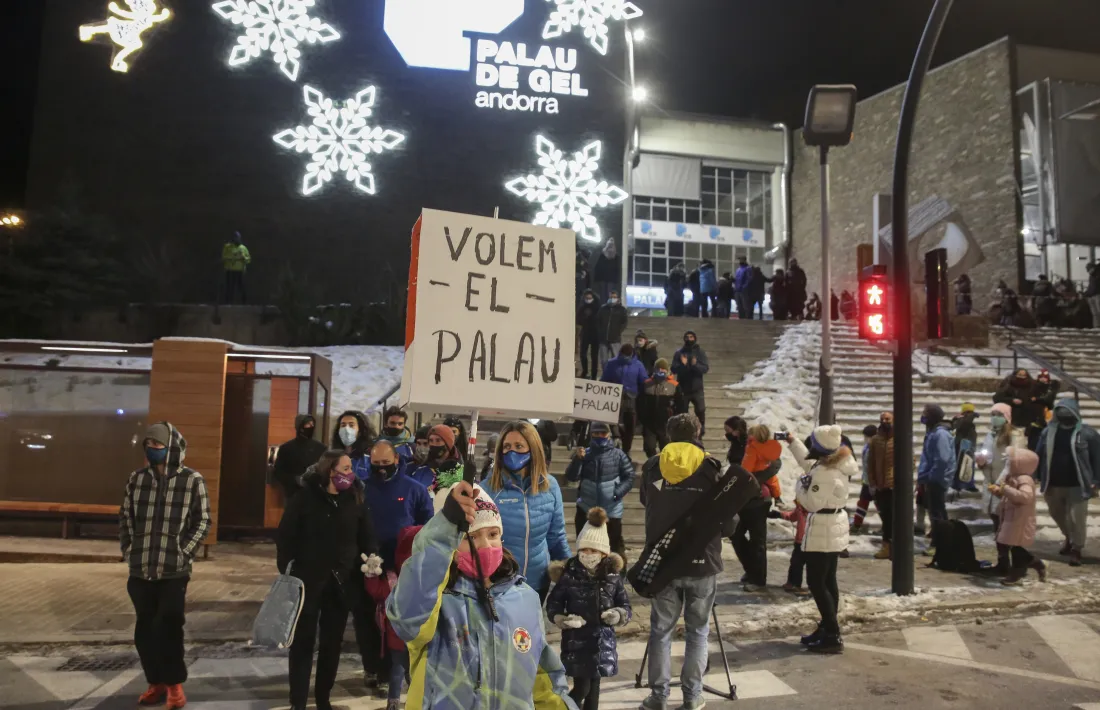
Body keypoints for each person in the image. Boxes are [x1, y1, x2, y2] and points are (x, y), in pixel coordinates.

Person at [386, 482, 577, 710]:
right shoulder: (434, 599)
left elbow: (541, 674)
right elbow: (407, 620)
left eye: (493, 534)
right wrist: (443, 529)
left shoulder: (525, 598)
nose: (485, 545)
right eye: (471, 537)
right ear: (451, 545)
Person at [277, 449, 381, 710]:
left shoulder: (355, 499)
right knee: (302, 643)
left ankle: (323, 698)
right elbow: (286, 537)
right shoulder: (304, 498)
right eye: (345, 469)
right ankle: (298, 702)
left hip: (343, 583)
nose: (350, 474)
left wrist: (371, 557)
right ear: (329, 471)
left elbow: (366, 535)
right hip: (307, 583)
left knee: (331, 644)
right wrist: (288, 571)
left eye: (350, 468)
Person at [121, 422, 211, 710]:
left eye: (158, 445)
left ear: (172, 447)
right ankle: (156, 682)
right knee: (145, 631)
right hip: (141, 569)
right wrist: (129, 549)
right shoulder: (137, 479)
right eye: (148, 444)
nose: (152, 449)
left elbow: (203, 520)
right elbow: (126, 517)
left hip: (174, 570)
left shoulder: (192, 480)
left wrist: (184, 551)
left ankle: (174, 686)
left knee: (168, 627)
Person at [639, 414, 724, 709]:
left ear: (668, 433)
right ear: (697, 432)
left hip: (663, 558)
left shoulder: (653, 465)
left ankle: (658, 697)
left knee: (661, 631)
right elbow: (726, 515)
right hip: (703, 559)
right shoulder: (711, 467)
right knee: (698, 631)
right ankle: (692, 696)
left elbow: (646, 501)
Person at [546, 507, 632, 710]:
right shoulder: (569, 575)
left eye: (593, 551)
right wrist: (561, 618)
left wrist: (617, 614)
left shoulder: (613, 577)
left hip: (602, 644)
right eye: (584, 550)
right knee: (581, 689)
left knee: (594, 691)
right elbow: (554, 603)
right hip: (577, 644)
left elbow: (625, 605)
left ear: (603, 553)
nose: (588, 554)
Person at [789, 425, 858, 654]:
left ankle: (832, 633)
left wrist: (800, 486)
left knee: (817, 582)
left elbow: (811, 503)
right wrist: (792, 442)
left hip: (823, 528)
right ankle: (827, 628)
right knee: (828, 580)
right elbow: (809, 464)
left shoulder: (824, 473)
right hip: (833, 526)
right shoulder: (835, 463)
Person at [485, 421, 572, 598]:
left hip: (537, 582)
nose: (512, 452)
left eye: (519, 446)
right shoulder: (488, 489)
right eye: (507, 446)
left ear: (533, 448)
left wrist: (570, 571)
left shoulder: (550, 486)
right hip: (500, 584)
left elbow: (556, 536)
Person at [1036, 398, 1100, 567]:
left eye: (1068, 411)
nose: (1065, 415)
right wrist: (1036, 474)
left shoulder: (1088, 434)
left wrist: (1096, 480)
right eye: (1061, 411)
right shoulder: (1048, 432)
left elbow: (1097, 458)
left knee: (1077, 519)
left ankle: (1076, 549)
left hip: (1078, 484)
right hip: (1053, 483)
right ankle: (1069, 538)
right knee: (1057, 514)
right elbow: (1039, 454)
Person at [364, 524, 423, 710]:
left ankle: (414, 700)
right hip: (398, 638)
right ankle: (394, 701)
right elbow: (376, 591)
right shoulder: (392, 580)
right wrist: (371, 574)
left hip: (418, 638)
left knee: (414, 672)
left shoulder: (427, 581)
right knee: (398, 671)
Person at [565, 422, 634, 560]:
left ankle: (617, 571)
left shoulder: (618, 455)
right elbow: (571, 477)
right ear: (591, 434)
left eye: (603, 433)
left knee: (615, 548)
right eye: (596, 433)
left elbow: (629, 476)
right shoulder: (584, 454)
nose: (600, 436)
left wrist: (617, 493)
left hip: (611, 510)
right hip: (586, 508)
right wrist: (577, 460)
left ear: (608, 434)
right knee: (584, 547)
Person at [976, 403, 1028, 573]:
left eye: (998, 414)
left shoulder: (1015, 435)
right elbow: (987, 456)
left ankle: (1022, 564)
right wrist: (982, 462)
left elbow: (1012, 462)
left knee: (1008, 528)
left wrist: (1000, 484)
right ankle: (1003, 563)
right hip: (991, 486)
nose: (994, 418)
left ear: (1006, 417)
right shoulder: (991, 434)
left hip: (1006, 486)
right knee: (997, 526)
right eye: (993, 414)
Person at [733, 424, 782, 592]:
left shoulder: (754, 449)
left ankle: (758, 577)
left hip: (755, 499)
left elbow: (746, 472)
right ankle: (753, 570)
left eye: (750, 434)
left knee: (754, 539)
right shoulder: (768, 450)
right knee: (741, 535)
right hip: (757, 498)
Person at [990, 447, 1047, 585]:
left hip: (1020, 518)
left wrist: (1005, 489)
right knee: (1010, 543)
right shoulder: (1013, 477)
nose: (1008, 465)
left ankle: (1019, 572)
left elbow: (1025, 497)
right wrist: (1000, 492)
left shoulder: (1024, 479)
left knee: (1015, 545)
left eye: (1010, 462)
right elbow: (1011, 495)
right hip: (1011, 516)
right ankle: (1032, 563)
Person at [917, 404, 956, 540]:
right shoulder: (933, 432)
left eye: (925, 414)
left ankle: (941, 540)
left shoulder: (940, 434)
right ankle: (941, 538)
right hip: (931, 478)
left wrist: (932, 477)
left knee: (937, 513)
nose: (923, 416)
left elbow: (942, 459)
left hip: (937, 479)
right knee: (935, 511)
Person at [601, 343, 648, 453]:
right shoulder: (612, 363)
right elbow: (604, 380)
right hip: (615, 397)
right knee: (614, 420)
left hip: (632, 398)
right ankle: (616, 438)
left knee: (630, 425)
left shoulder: (638, 365)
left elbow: (643, 381)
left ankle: (626, 449)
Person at [272, 414, 326, 498]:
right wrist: (294, 480)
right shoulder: (286, 448)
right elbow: (278, 472)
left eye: (312, 424)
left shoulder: (321, 448)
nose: (311, 427)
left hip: (316, 494)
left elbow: (326, 470)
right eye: (308, 424)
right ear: (300, 426)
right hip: (293, 494)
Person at [867, 412, 896, 560]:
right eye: (882, 419)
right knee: (885, 517)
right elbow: (870, 462)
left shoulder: (900, 438)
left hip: (895, 486)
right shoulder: (875, 440)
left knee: (895, 518)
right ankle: (886, 547)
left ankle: (895, 547)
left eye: (888, 419)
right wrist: (872, 482)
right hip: (880, 486)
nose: (885, 421)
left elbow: (910, 462)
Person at [638, 359, 679, 457]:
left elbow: (680, 404)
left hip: (666, 424)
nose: (660, 371)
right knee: (649, 447)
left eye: (663, 369)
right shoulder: (647, 384)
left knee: (666, 448)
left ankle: (662, 464)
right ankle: (654, 462)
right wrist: (642, 419)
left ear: (667, 370)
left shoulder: (674, 385)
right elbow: (640, 403)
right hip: (650, 423)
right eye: (658, 369)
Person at [410, 424, 465, 497]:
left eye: (438, 440)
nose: (434, 444)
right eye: (431, 441)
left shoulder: (461, 472)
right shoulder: (421, 470)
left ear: (448, 443)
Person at [671, 331, 709, 435]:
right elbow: (673, 369)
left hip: (697, 388)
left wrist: (695, 365)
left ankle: (700, 432)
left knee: (700, 410)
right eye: (687, 337)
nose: (689, 339)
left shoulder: (700, 352)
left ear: (695, 338)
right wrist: (683, 365)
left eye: (691, 337)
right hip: (683, 388)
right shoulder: (679, 353)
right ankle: (683, 433)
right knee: (682, 413)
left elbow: (705, 368)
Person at [850, 424, 882, 535]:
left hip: (876, 482)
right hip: (867, 481)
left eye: (867, 437)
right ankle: (856, 525)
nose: (865, 439)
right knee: (862, 503)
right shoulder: (867, 447)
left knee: (880, 505)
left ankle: (887, 526)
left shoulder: (877, 448)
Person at [773, 501, 809, 595]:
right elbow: (792, 516)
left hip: (812, 542)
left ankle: (810, 586)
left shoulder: (815, 509)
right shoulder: (800, 508)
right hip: (799, 541)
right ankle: (792, 583)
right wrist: (779, 514)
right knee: (795, 562)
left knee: (809, 565)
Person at [333, 410, 374, 481]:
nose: (346, 429)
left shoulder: (369, 457)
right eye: (343, 425)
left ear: (360, 431)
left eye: (351, 425)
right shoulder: (332, 456)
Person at [596, 289, 628, 372]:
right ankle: (606, 375)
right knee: (604, 361)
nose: (612, 298)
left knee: (615, 360)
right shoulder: (603, 308)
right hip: (603, 339)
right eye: (611, 297)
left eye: (614, 297)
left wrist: (618, 332)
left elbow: (624, 323)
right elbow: (598, 321)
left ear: (618, 298)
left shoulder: (622, 310)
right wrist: (600, 332)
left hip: (615, 339)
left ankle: (615, 376)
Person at [1028, 370, 1060, 451]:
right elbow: (1030, 398)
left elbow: (1048, 399)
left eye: (1044, 377)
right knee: (1034, 434)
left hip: (1047, 413)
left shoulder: (1050, 387)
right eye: (1041, 377)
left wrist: (1037, 399)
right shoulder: (1034, 386)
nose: (1043, 379)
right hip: (1035, 415)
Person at [951, 403, 980, 492]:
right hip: (962, 445)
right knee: (963, 464)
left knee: (967, 465)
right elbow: (962, 424)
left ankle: (965, 484)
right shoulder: (962, 419)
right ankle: (960, 484)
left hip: (967, 445)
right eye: (969, 412)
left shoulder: (960, 419)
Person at [221, 231, 251, 304]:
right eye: (235, 237)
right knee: (230, 287)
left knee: (242, 287)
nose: (236, 239)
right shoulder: (227, 247)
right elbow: (224, 257)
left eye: (237, 237)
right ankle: (228, 303)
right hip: (230, 270)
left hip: (240, 271)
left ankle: (244, 303)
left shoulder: (243, 248)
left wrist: (244, 258)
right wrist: (233, 257)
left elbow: (248, 259)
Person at [577, 289, 602, 379]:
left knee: (594, 356)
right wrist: (584, 319)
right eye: (587, 298)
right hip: (585, 333)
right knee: (583, 354)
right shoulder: (582, 307)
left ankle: (594, 374)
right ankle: (585, 371)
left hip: (596, 333)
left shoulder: (598, 307)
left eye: (590, 298)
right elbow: (578, 319)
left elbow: (601, 320)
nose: (588, 299)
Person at [593, 238, 618, 303]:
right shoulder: (604, 254)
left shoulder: (612, 255)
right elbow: (598, 266)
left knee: (607, 294)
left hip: (608, 278)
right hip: (605, 278)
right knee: (604, 294)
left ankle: (607, 305)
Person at [1086, 261, 1100, 328]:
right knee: (1095, 313)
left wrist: (1087, 293)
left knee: (1097, 312)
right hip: (1092, 295)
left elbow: (1093, 287)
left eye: (1089, 270)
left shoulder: (1097, 275)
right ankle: (1097, 326)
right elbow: (1091, 286)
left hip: (1097, 295)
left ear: (1092, 268)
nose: (1088, 272)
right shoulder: (1092, 276)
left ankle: (1097, 326)